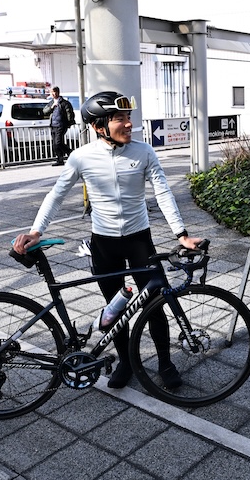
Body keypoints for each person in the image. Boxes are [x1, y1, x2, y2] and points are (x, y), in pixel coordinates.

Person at [14, 91, 204, 389]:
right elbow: (56, 195)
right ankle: (126, 362)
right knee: (115, 309)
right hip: (104, 243)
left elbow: (163, 191)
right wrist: (36, 231)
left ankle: (165, 363)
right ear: (98, 126)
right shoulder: (81, 157)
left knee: (154, 304)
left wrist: (182, 235)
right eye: (120, 119)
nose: (129, 124)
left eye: (129, 117)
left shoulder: (144, 152)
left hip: (139, 239)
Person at [44, 86, 75, 165]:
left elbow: (69, 113)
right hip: (53, 125)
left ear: (58, 92)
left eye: (54, 92)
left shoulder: (64, 103)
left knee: (58, 142)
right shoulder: (51, 102)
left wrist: (69, 123)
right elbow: (45, 111)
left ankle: (70, 152)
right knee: (55, 144)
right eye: (51, 92)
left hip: (61, 125)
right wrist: (51, 107)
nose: (53, 94)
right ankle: (60, 159)